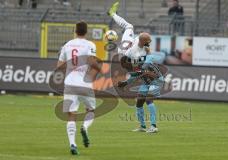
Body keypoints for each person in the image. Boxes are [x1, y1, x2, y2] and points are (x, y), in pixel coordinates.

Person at [108, 2, 160, 133]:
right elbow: (137, 73)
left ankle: (154, 126)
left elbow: (141, 69)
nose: (149, 44)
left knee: (148, 100)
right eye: (147, 42)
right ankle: (143, 126)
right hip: (138, 66)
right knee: (139, 102)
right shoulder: (135, 53)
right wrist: (126, 82)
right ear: (141, 41)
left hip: (153, 77)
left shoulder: (140, 49)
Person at [57, 21, 99, 155]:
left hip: (70, 83)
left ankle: (73, 144)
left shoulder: (67, 45)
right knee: (91, 110)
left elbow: (59, 65)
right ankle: (85, 127)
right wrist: (98, 68)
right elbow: (92, 62)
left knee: (71, 115)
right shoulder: (90, 44)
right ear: (86, 32)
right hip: (84, 83)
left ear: (75, 31)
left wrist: (70, 68)